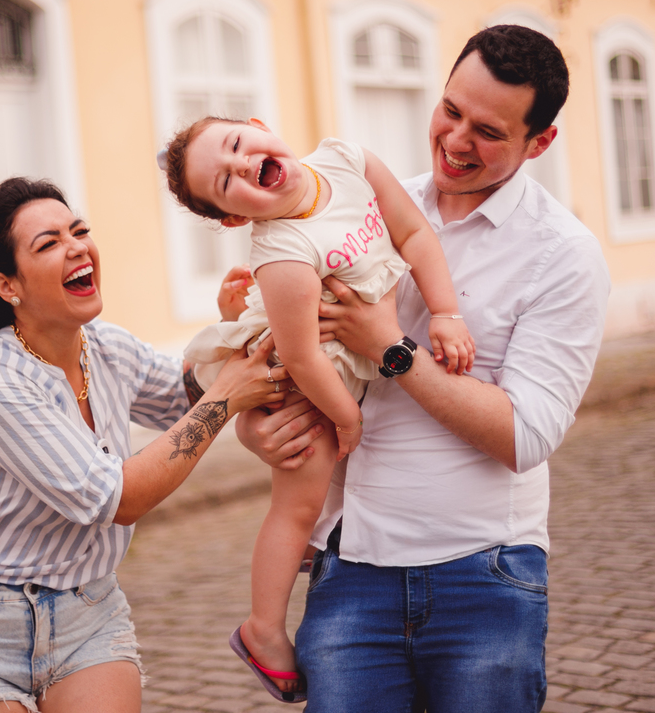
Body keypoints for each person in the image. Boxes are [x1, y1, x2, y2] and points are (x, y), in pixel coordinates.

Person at [237, 24, 613, 712]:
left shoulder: (564, 255)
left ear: (540, 142)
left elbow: (525, 436)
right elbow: (289, 355)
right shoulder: (360, 205)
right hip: (350, 571)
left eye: (489, 132)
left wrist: (393, 351)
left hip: (485, 576)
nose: (456, 139)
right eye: (451, 111)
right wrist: (257, 431)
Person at [0, 178, 285, 713]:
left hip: (86, 610)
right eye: (49, 243)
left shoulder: (104, 345)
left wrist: (230, 331)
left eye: (77, 230)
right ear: (7, 286)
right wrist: (225, 397)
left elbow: (183, 395)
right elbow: (115, 498)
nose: (77, 246)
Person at [161, 120, 474, 701]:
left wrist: (445, 313)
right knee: (298, 503)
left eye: (236, 145)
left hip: (343, 361)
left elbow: (415, 233)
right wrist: (345, 419)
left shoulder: (347, 159)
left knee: (314, 503)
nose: (242, 165)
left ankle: (310, 552)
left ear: (258, 127)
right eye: (226, 183)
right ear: (234, 218)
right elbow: (303, 357)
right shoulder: (279, 251)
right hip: (304, 383)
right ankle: (262, 628)